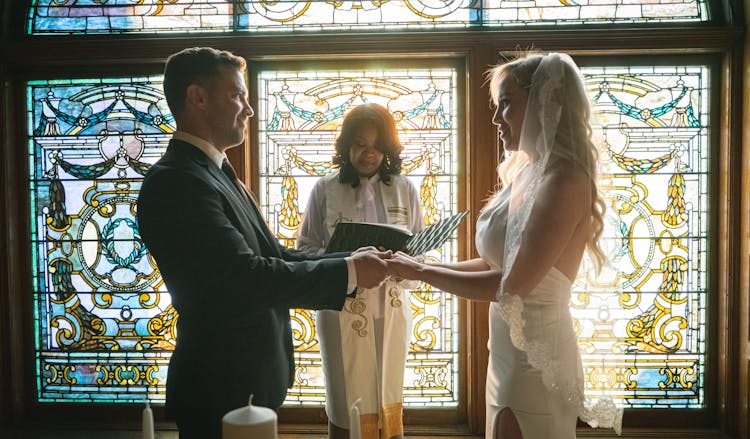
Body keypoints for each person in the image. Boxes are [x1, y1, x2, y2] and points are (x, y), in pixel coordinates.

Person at [136, 47, 391, 439]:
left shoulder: (215, 171)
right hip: (220, 385)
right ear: (197, 97)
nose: (249, 110)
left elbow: (273, 255)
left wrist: (350, 257)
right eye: (237, 95)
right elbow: (245, 278)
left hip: (248, 381)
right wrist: (351, 271)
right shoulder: (178, 182)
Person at [386, 52, 623, 438]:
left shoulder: (565, 180)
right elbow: (492, 262)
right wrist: (411, 266)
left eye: (507, 103)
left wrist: (422, 272)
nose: (497, 119)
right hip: (506, 353)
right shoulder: (529, 171)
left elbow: (511, 287)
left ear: (544, 99)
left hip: (536, 358)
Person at [297, 103, 424, 439]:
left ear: (389, 148)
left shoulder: (404, 188)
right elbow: (305, 248)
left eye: (377, 146)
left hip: (390, 306)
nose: (369, 154)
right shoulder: (325, 188)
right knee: (344, 398)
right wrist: (343, 261)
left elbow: (421, 250)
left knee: (387, 392)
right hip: (341, 309)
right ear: (346, 146)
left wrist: (406, 263)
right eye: (360, 145)